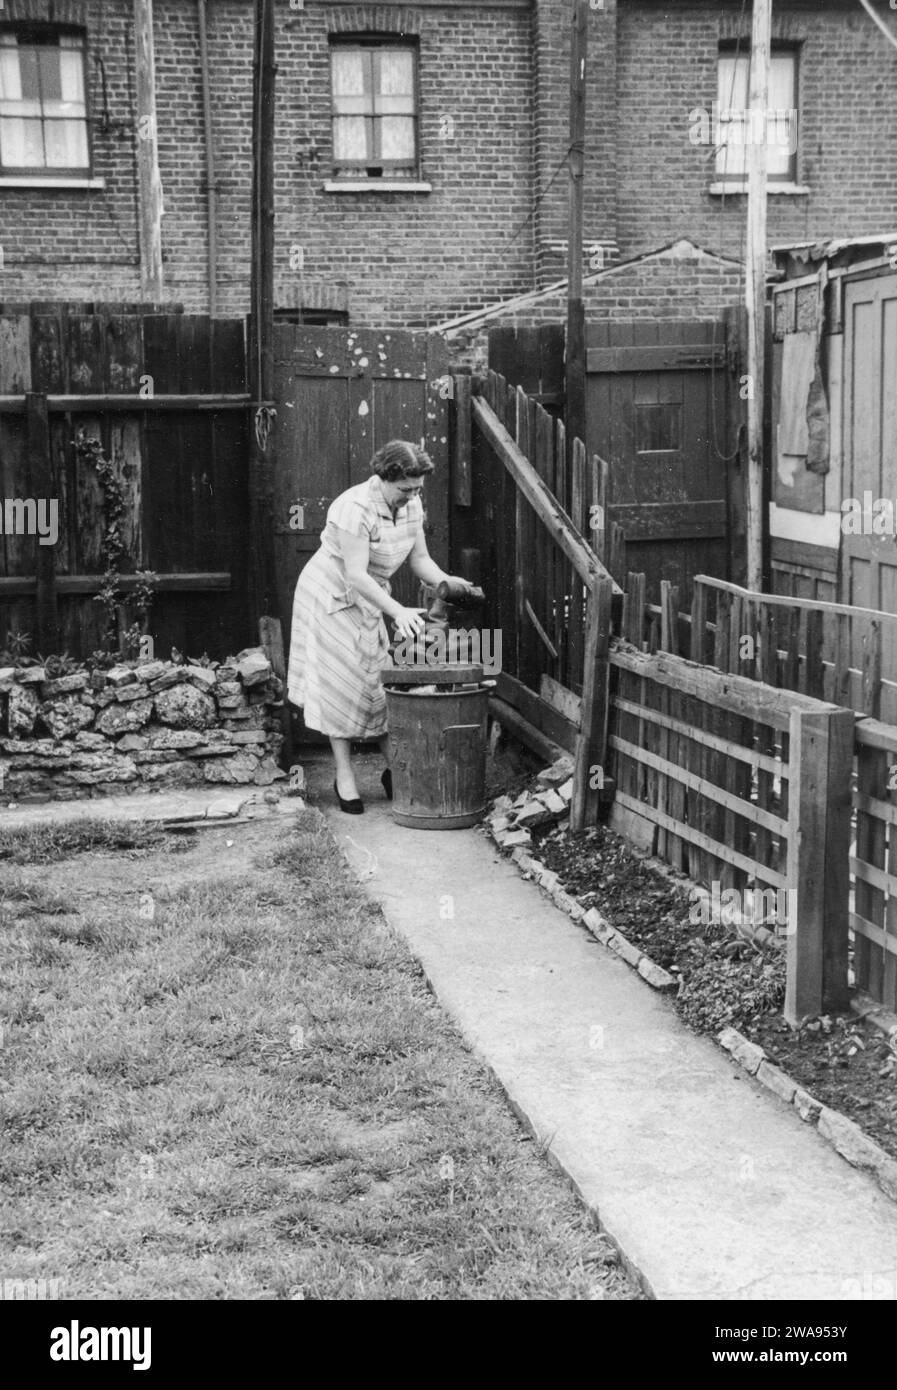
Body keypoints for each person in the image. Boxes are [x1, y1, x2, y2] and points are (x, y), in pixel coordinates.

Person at [287, 439, 472, 813]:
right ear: (385, 477)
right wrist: (397, 612)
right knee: (341, 685)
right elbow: (355, 575)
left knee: (376, 681)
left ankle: (394, 768)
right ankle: (344, 776)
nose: (412, 496)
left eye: (418, 489)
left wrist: (448, 582)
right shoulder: (354, 508)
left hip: (371, 597)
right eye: (405, 489)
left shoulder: (412, 502)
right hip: (332, 596)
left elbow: (421, 560)